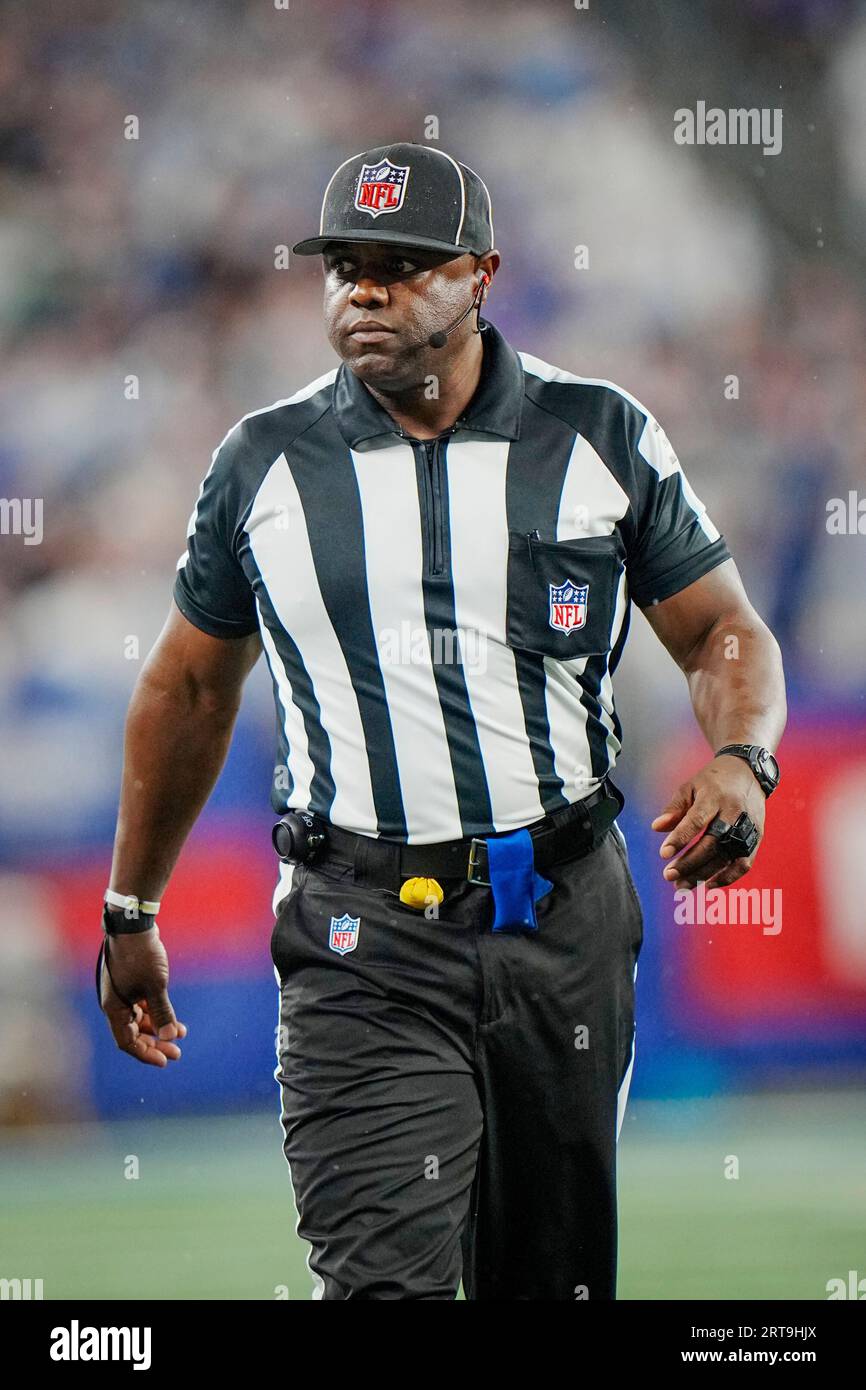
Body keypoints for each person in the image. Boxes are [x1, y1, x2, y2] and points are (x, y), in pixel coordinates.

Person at [98, 143, 786, 1300]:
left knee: (551, 1279)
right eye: (345, 266)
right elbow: (186, 688)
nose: (363, 290)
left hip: (559, 918)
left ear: (481, 274)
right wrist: (130, 906)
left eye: (402, 266)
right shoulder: (262, 463)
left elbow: (720, 629)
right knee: (385, 1287)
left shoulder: (596, 435)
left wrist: (742, 755)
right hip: (358, 932)